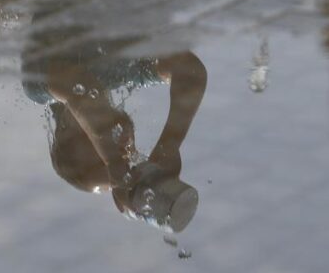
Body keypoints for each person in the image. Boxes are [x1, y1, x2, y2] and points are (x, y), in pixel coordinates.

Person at [23, 41, 207, 233]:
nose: (121, 153)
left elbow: (77, 86)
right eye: (126, 161)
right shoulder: (129, 70)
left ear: (65, 128)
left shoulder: (37, 86)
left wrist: (112, 160)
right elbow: (189, 70)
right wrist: (169, 144)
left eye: (99, 149)